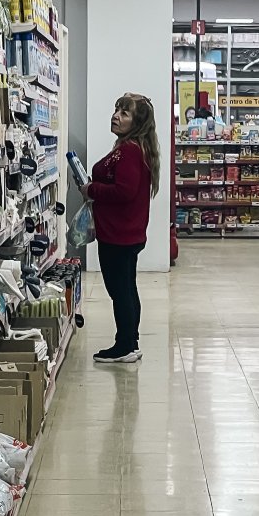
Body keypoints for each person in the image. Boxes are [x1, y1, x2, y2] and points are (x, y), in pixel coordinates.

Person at [80, 93, 160, 364]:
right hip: (126, 232)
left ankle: (125, 345)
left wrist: (92, 189)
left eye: (124, 113)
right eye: (116, 110)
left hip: (119, 233)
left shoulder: (129, 150)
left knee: (120, 291)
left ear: (137, 122)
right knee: (126, 289)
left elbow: (124, 191)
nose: (116, 116)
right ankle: (129, 342)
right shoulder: (133, 147)